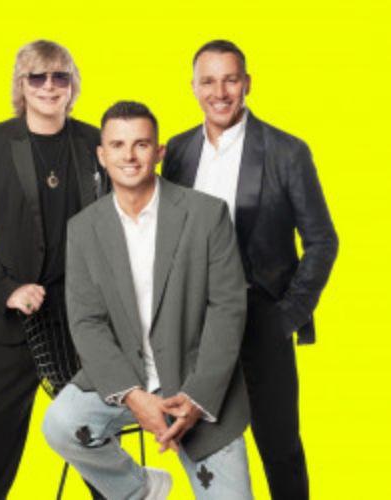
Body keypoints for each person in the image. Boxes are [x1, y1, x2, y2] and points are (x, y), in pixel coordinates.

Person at [42, 101, 253, 499]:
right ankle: (139, 488)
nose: (129, 155)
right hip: (124, 382)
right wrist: (133, 395)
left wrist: (198, 397)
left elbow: (228, 310)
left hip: (197, 388)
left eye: (141, 144)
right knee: (60, 424)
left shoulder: (207, 215)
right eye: (118, 145)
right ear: (102, 155)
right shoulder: (83, 229)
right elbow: (86, 321)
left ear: (159, 152)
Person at [162, 40, 339, 499]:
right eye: (208, 81)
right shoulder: (178, 150)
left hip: (261, 320)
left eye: (230, 79)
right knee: (206, 444)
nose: (219, 92)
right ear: (193, 87)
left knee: (280, 448)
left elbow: (323, 241)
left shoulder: (287, 151)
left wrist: (286, 318)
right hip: (195, 325)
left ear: (247, 84)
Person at [0, 40, 107, 500]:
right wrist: (8, 289)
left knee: (96, 438)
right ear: (22, 84)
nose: (49, 86)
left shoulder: (95, 142)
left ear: (72, 84)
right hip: (9, 324)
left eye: (60, 76)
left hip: (80, 323)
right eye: (37, 76)